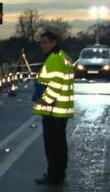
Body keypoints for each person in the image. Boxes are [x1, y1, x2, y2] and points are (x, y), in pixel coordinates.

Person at [32, 31, 74, 185]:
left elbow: (55, 85)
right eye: (41, 42)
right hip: (61, 109)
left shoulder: (54, 59)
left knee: (52, 145)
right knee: (60, 144)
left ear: (53, 43)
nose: (42, 45)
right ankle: (59, 174)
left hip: (53, 109)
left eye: (45, 42)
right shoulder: (64, 57)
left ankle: (53, 175)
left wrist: (45, 101)